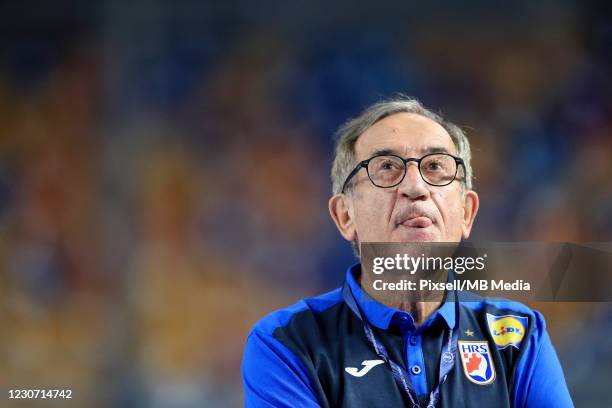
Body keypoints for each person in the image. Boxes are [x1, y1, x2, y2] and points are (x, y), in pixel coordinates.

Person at [242, 96, 574, 407]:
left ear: (467, 213)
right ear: (346, 215)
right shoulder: (285, 344)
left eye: (435, 167)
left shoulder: (518, 336)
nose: (416, 188)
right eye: (386, 167)